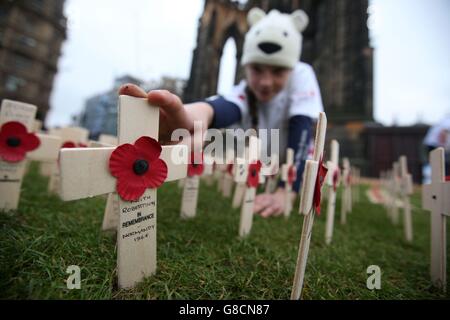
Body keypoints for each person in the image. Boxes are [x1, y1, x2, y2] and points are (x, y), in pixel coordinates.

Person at [119, 8, 324, 217]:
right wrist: (189, 117)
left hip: (295, 164)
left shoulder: (302, 73)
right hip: (267, 163)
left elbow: (302, 128)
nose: (265, 82)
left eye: (278, 71)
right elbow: (220, 108)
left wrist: (286, 191)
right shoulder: (245, 90)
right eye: (257, 69)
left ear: (290, 69)